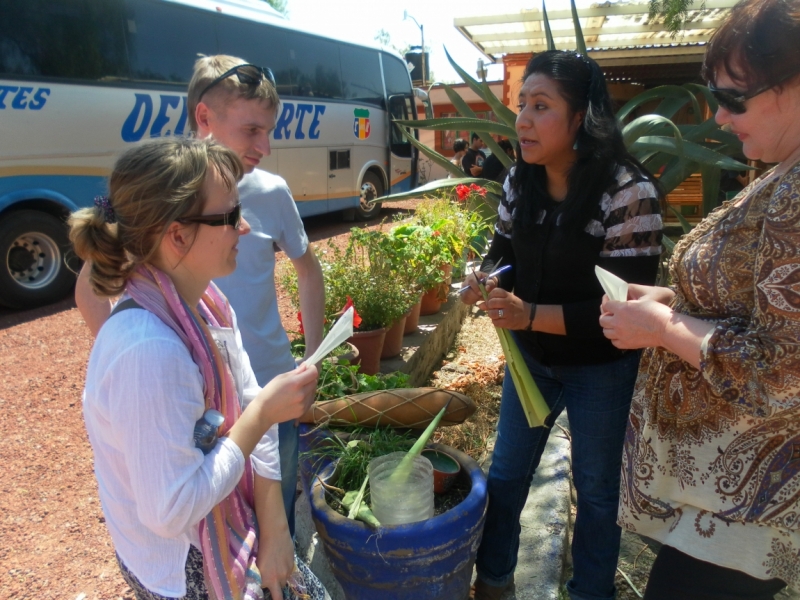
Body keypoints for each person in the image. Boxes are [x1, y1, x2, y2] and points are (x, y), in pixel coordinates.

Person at [75, 55, 326, 537]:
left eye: (269, 131)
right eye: (252, 129)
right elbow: (93, 288)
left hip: (266, 381)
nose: (265, 146)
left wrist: (309, 359)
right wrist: (153, 364)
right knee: (218, 526)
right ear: (204, 117)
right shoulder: (159, 193)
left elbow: (308, 271)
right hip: (203, 402)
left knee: (274, 521)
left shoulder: (270, 193)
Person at [599, 0, 800, 597]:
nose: (717, 114)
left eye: (734, 96)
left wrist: (662, 327)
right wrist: (674, 298)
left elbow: (783, 370)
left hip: (745, 519)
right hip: (723, 505)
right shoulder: (781, 170)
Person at [460, 50, 663, 600]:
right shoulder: (518, 182)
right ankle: (495, 581)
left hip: (602, 368)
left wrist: (529, 314)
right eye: (522, 103)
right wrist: (486, 279)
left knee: (596, 492)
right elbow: (501, 253)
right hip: (532, 361)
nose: (522, 118)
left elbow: (624, 313)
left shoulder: (628, 193)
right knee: (504, 474)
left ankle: (591, 591)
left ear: (581, 119)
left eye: (541, 106)